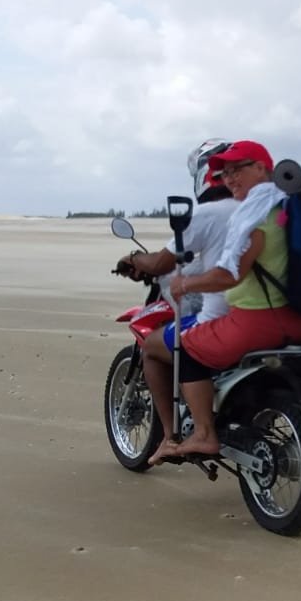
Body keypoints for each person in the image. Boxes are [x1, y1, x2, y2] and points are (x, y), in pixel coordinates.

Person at [148, 140, 301, 462]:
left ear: (262, 168)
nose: (229, 179)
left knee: (186, 346)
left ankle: (203, 434)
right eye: (225, 173)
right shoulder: (296, 210)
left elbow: (229, 275)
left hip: (260, 323)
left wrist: (185, 283)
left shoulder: (259, 214)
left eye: (237, 170)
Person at [117, 138, 240, 457]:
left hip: (225, 319)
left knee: (153, 347)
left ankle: (174, 436)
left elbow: (162, 263)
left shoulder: (209, 213)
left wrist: (134, 259)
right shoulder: (262, 211)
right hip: (272, 315)